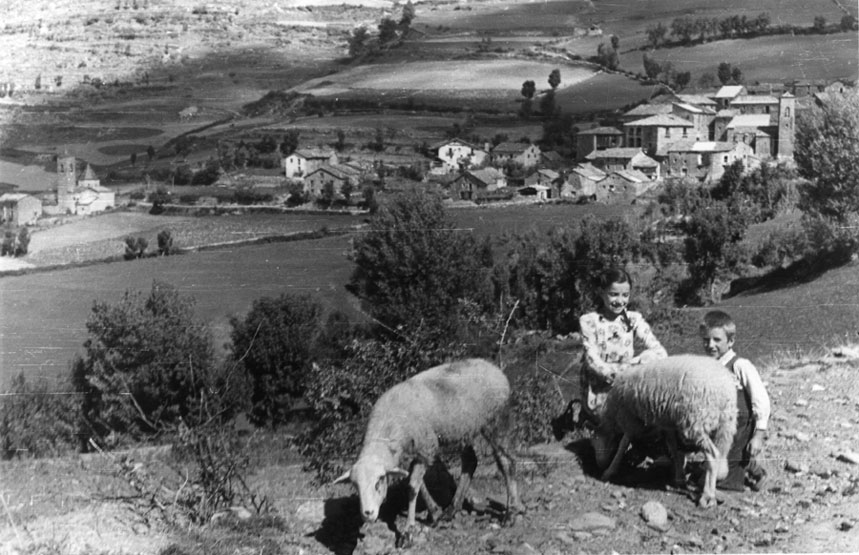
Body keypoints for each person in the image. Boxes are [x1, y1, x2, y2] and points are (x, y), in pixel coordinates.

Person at [579, 267, 668, 417]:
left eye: (625, 295)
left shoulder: (633, 319)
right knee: (617, 421)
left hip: (628, 381)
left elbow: (658, 350)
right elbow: (591, 358)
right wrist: (616, 374)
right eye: (614, 295)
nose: (620, 301)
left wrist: (640, 364)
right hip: (601, 388)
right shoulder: (589, 321)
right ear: (602, 293)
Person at [700, 310, 770, 492]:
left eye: (717, 340)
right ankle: (742, 463)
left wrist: (758, 435)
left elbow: (760, 399)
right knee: (710, 470)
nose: (710, 345)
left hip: (739, 427)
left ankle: (754, 469)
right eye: (706, 340)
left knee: (724, 480)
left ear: (730, 341)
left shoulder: (740, 366)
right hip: (717, 425)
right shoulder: (708, 368)